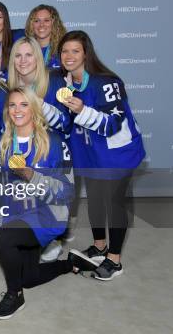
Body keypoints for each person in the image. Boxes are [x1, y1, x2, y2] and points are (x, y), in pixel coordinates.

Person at [0, 87, 89, 319]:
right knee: (29, 277)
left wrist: (31, 175)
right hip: (17, 214)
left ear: (34, 108)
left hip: (46, 215)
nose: (17, 110)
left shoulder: (55, 142)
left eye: (24, 104)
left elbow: (66, 192)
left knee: (5, 238)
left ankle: (15, 295)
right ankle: (70, 264)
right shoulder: (4, 143)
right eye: (12, 105)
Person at [59, 31, 145, 280]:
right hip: (90, 152)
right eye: (65, 51)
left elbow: (113, 124)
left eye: (75, 51)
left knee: (115, 202)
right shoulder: (66, 84)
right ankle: (99, 247)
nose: (69, 56)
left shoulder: (106, 82)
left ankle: (115, 260)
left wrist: (83, 110)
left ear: (86, 53)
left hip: (118, 153)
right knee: (95, 198)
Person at [7, 36, 73, 262]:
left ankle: (52, 236)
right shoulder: (11, 84)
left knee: (49, 188)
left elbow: (67, 122)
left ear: (38, 57)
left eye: (29, 55)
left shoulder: (54, 81)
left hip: (50, 146)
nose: (23, 60)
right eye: (18, 55)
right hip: (25, 145)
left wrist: (36, 104)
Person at [24, 4, 66, 69]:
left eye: (46, 20)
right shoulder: (24, 50)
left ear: (54, 23)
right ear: (31, 24)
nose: (41, 25)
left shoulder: (63, 50)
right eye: (37, 21)